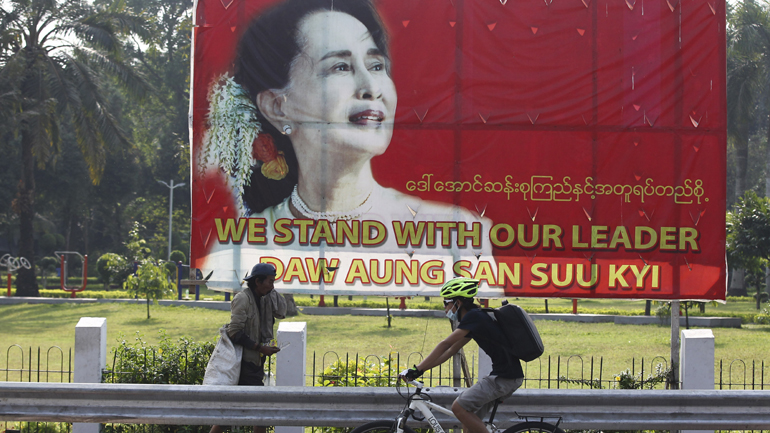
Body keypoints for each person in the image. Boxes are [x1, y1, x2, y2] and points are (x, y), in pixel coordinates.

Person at [198, 0, 497, 293]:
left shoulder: (453, 232)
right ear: (278, 107)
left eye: (376, 65)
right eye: (340, 67)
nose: (371, 88)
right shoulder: (242, 245)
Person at [399, 278, 524, 433]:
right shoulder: (476, 318)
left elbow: (445, 344)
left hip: (503, 378)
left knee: (458, 408)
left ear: (458, 302)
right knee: (468, 422)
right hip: (508, 377)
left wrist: (416, 369)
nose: (444, 307)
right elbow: (450, 351)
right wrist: (421, 370)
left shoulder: (473, 317)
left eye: (446, 302)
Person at [210, 262, 287, 433]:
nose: (272, 285)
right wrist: (260, 348)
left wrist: (272, 290)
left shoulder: (266, 298)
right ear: (257, 281)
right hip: (244, 365)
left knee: (229, 414)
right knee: (261, 413)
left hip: (256, 364)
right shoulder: (242, 299)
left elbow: (282, 312)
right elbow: (234, 332)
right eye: (270, 281)